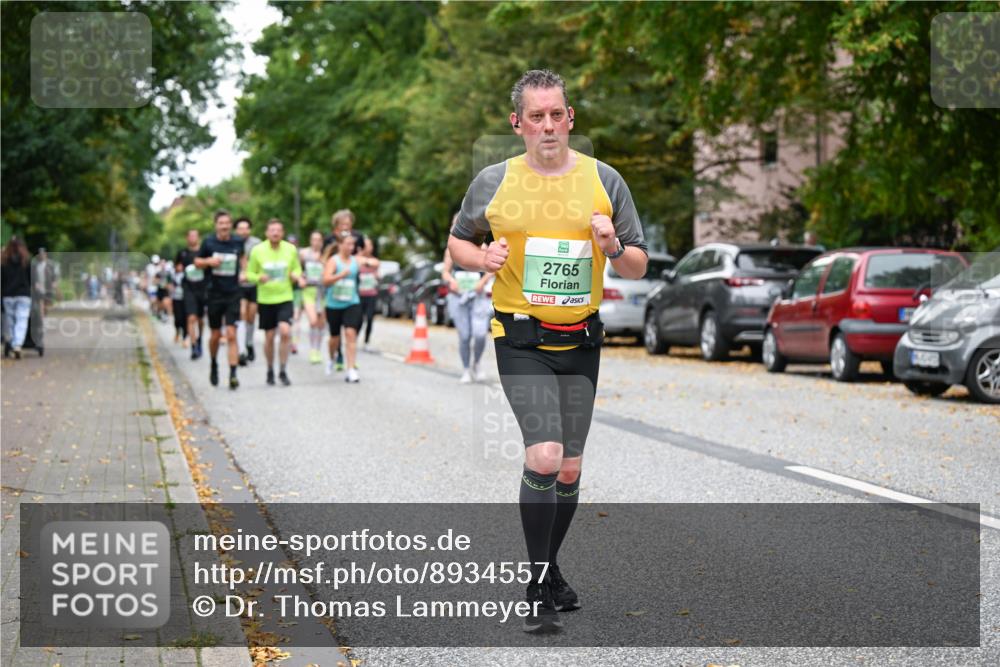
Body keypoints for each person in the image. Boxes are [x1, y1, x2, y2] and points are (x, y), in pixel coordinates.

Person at [448, 69, 648, 633]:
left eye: (557, 114)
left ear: (570, 118)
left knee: (570, 467)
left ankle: (550, 565)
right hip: (521, 338)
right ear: (518, 124)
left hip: (581, 339)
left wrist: (612, 245)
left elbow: (637, 264)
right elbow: (458, 241)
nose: (548, 125)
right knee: (545, 455)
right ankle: (537, 582)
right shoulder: (493, 181)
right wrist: (480, 259)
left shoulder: (604, 180)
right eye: (536, 116)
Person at [246, 218, 305, 386]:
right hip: (266, 299)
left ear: (283, 233)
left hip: (285, 297)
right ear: (267, 233)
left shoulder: (290, 249)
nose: (275, 233)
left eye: (278, 230)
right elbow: (249, 274)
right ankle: (270, 369)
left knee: (285, 332)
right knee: (270, 337)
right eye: (272, 230)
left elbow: (297, 268)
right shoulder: (257, 250)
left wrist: (295, 275)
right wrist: (259, 277)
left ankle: (283, 370)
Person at [195, 210, 244, 389]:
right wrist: (208, 262)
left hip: (233, 293)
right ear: (216, 225)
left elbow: (243, 260)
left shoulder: (238, 241)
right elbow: (197, 262)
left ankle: (233, 373)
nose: (224, 226)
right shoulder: (208, 242)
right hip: (214, 293)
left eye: (227, 223)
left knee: (231, 333)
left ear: (231, 225)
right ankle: (214, 363)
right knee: (215, 335)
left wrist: (244, 272)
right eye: (221, 223)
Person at [322, 232, 378, 383]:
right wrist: (340, 275)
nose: (350, 247)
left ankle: (351, 369)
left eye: (352, 244)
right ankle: (331, 358)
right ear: (340, 245)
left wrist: (368, 263)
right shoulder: (333, 261)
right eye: (347, 244)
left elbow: (375, 263)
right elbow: (326, 280)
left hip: (351, 302)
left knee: (350, 333)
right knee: (334, 337)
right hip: (334, 304)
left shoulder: (355, 260)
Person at [441, 231, 493, 383]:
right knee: (464, 336)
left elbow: (492, 269)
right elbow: (445, 272)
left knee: (480, 334)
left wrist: (482, 282)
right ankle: (466, 369)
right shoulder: (451, 248)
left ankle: (476, 363)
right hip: (458, 297)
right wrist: (451, 281)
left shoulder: (483, 246)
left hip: (478, 296)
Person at [323, 210, 371, 369]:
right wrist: (335, 267)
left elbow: (363, 253)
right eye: (342, 224)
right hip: (335, 287)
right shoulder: (330, 239)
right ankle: (338, 354)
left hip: (352, 286)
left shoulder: (358, 236)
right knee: (335, 333)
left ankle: (351, 358)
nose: (346, 227)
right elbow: (323, 259)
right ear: (336, 226)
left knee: (352, 328)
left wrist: (359, 260)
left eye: (348, 224)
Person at [176, 229, 207, 360]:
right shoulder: (182, 253)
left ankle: (199, 340)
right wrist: (179, 268)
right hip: (189, 289)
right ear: (187, 238)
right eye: (190, 236)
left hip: (203, 288)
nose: (193, 238)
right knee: (191, 318)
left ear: (198, 237)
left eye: (195, 236)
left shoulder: (204, 252)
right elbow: (177, 267)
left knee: (200, 319)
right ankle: (193, 347)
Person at [235, 217, 262, 366]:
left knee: (251, 316)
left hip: (253, 284)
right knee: (242, 313)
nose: (243, 231)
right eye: (240, 228)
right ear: (236, 230)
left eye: (246, 228)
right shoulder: (232, 242)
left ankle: (249, 342)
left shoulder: (257, 243)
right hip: (238, 285)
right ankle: (241, 350)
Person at [2, 236, 34, 359]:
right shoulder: (26, 260)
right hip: (23, 295)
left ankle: (11, 341)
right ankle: (17, 345)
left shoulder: (4, 261)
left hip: (8, 295)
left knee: (10, 321)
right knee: (22, 320)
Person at [298, 230, 327, 364]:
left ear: (322, 242)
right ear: (310, 241)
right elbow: (297, 269)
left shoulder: (325, 256)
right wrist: (301, 278)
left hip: (322, 291)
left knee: (321, 323)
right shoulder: (303, 254)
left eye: (318, 240)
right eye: (314, 239)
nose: (316, 242)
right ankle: (312, 349)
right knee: (313, 321)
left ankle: (318, 349)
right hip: (308, 290)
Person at [357, 242, 380, 352]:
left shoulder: (374, 260)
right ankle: (353, 338)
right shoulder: (356, 259)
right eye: (366, 245)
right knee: (359, 319)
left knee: (370, 318)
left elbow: (376, 264)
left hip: (371, 294)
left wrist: (365, 262)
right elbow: (356, 262)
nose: (369, 248)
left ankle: (366, 341)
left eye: (371, 245)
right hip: (359, 295)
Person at [171, 260, 188, 346]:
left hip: (185, 299)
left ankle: (185, 337)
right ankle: (177, 332)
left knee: (185, 318)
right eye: (178, 265)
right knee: (177, 318)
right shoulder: (173, 275)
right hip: (176, 298)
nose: (179, 267)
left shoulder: (186, 274)